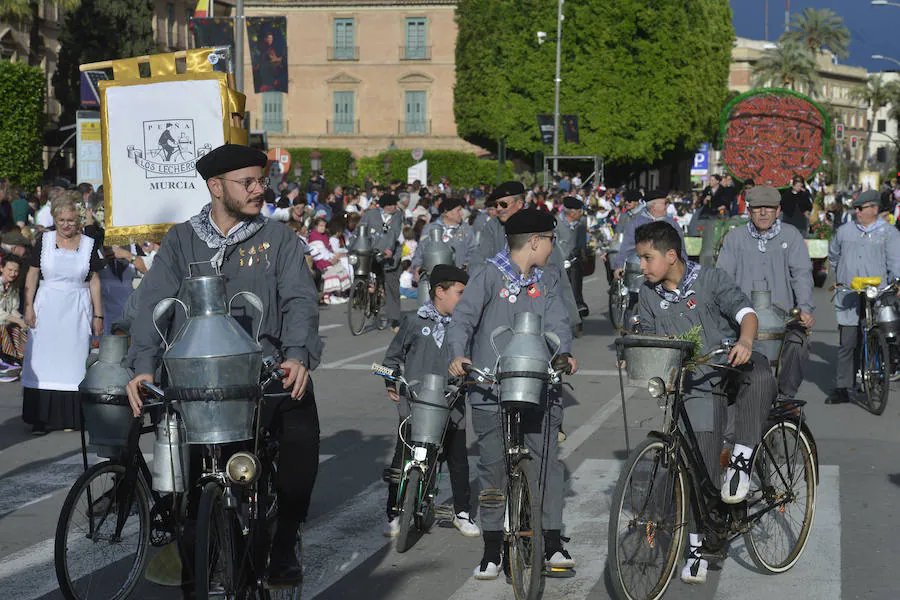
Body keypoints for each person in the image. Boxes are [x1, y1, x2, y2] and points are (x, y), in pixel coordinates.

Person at [124, 143, 323, 587]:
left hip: (264, 374)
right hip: (198, 382)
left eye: (261, 180)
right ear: (216, 187)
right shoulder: (181, 239)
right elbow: (153, 304)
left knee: (301, 433)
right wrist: (142, 366)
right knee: (188, 495)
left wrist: (297, 356)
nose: (259, 190)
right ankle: (197, 555)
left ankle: (286, 539)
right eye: (247, 182)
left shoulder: (279, 239)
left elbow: (299, 301)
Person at [633, 221, 774, 584]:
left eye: (648, 258)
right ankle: (697, 548)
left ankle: (742, 459)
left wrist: (744, 342)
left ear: (671, 255)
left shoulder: (711, 279)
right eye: (640, 260)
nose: (643, 267)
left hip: (731, 363)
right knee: (700, 469)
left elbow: (747, 315)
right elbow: (646, 335)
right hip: (695, 383)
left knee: (760, 373)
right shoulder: (647, 294)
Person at [447, 209, 578, 580]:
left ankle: (551, 539)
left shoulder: (546, 279)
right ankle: (492, 547)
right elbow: (463, 320)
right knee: (491, 468)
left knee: (547, 462)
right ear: (535, 241)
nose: (554, 247)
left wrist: (564, 354)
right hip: (490, 387)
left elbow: (557, 323)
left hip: (539, 384)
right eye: (551, 239)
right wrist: (459, 355)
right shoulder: (487, 274)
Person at [381, 264, 479, 538]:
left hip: (452, 402)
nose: (465, 300)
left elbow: (476, 358)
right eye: (460, 293)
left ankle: (462, 512)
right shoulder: (413, 322)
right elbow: (392, 358)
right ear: (439, 292)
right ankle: (394, 511)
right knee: (403, 457)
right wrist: (391, 381)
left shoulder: (465, 327)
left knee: (458, 459)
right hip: (416, 404)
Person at [717, 185, 815, 402]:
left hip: (782, 318)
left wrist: (805, 309)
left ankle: (786, 399)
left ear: (778, 210)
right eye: (758, 208)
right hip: (741, 318)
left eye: (769, 208)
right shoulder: (735, 239)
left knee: (799, 343)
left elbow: (802, 274)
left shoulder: (792, 236)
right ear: (749, 211)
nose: (763, 213)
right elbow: (722, 279)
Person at [22, 194, 104, 434]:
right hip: (46, 307)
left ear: (77, 220)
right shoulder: (44, 241)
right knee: (41, 360)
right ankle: (39, 418)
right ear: (54, 219)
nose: (66, 225)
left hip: (76, 309)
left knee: (73, 363)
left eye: (70, 220)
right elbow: (32, 274)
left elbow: (94, 281)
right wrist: (28, 306)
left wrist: (98, 315)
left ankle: (70, 417)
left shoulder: (88, 244)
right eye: (61, 220)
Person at [828, 189, 900, 404]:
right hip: (850, 293)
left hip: (877, 293)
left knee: (879, 336)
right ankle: (843, 386)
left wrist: (896, 281)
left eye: (861, 208)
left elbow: (896, 261)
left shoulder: (889, 233)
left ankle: (876, 376)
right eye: (856, 208)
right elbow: (834, 255)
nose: (857, 212)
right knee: (848, 342)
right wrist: (840, 276)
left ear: (875, 209)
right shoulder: (845, 231)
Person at [613, 189, 684, 277]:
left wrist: (683, 268)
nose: (667, 206)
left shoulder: (672, 224)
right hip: (641, 272)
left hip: (667, 272)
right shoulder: (637, 223)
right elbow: (626, 247)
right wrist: (619, 266)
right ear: (654, 206)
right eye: (665, 204)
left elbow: (681, 249)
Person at [359, 193, 404, 331]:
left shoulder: (397, 216)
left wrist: (389, 250)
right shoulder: (370, 214)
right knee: (360, 270)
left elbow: (394, 233)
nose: (396, 207)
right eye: (392, 205)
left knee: (392, 284)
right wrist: (354, 246)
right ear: (385, 206)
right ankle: (362, 297)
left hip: (390, 251)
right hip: (371, 250)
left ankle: (395, 319)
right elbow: (360, 230)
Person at [412, 197, 477, 277]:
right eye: (458, 210)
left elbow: (474, 250)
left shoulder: (466, 229)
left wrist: (467, 264)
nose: (462, 214)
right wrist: (416, 268)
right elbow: (420, 251)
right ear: (446, 212)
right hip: (435, 278)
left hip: (460, 277)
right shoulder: (431, 229)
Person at [556, 195, 589, 316]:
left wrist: (584, 253)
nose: (581, 213)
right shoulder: (556, 223)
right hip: (560, 261)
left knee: (576, 284)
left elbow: (582, 241)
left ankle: (579, 305)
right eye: (580, 211)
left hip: (575, 259)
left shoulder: (582, 222)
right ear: (571, 212)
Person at [0, 256, 26, 379]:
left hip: (5, 320)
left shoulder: (13, 287)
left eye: (16, 271)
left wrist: (22, 319)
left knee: (20, 327)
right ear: (1, 268)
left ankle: (18, 358)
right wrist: (17, 320)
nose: (13, 273)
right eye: (10, 270)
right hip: (1, 321)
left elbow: (13, 309)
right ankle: (4, 360)